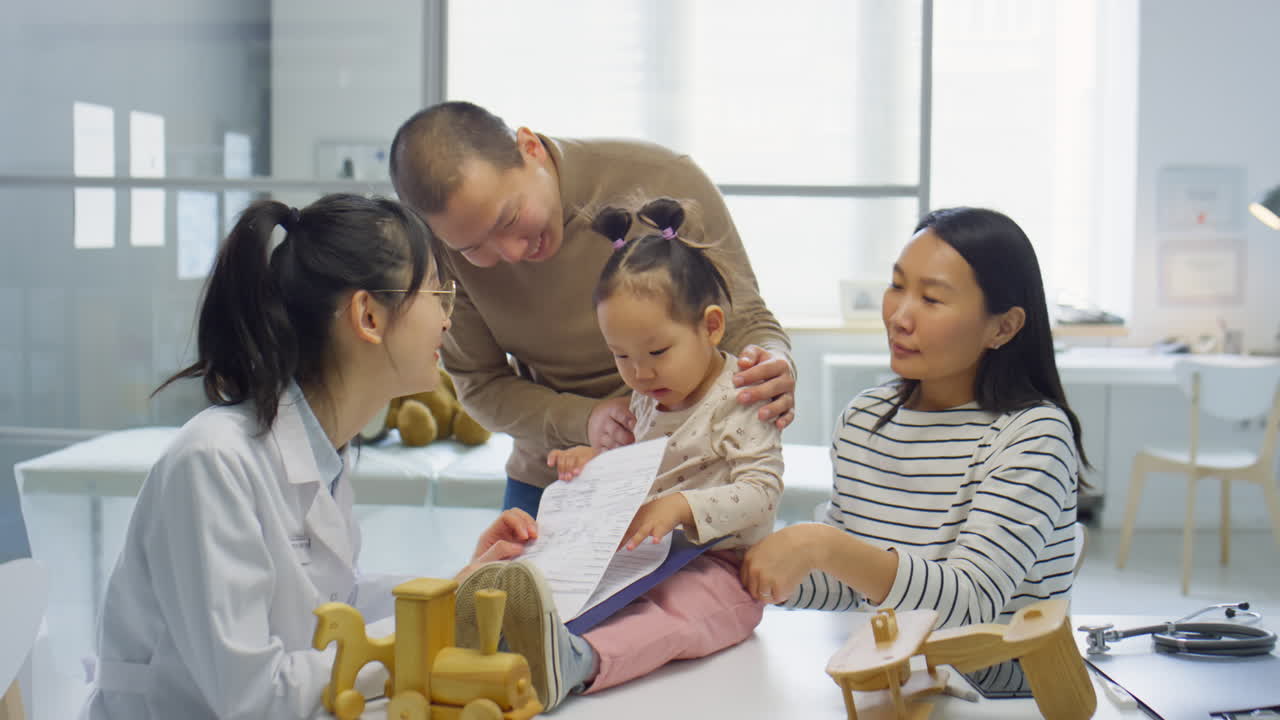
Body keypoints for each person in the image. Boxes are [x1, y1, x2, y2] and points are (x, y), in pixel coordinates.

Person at [85, 194, 539, 720]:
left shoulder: (324, 452)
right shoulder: (212, 461)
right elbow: (255, 697)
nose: (447, 317)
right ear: (368, 315)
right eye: (437, 291)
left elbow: (336, 603)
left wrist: (454, 591)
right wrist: (425, 635)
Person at [388, 101, 796, 518]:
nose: (511, 253)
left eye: (509, 219)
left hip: (694, 475)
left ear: (530, 148)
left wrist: (772, 361)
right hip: (558, 476)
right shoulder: (443, 253)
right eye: (474, 248)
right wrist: (584, 420)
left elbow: (747, 318)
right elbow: (479, 385)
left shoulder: (663, 178)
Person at [456, 197, 783, 711]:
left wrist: (682, 508)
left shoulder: (741, 397)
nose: (640, 373)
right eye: (621, 356)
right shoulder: (648, 397)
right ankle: (503, 632)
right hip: (645, 559)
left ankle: (575, 660)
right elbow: (633, 469)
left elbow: (763, 491)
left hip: (722, 569)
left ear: (712, 326)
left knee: (671, 617)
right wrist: (590, 462)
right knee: (570, 580)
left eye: (656, 353)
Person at [740, 207, 1088, 630]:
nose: (899, 317)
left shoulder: (1033, 436)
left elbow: (971, 601)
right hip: (891, 681)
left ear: (1003, 328)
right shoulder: (866, 420)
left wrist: (821, 545)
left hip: (993, 694)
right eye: (897, 286)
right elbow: (849, 587)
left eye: (932, 299)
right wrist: (746, 560)